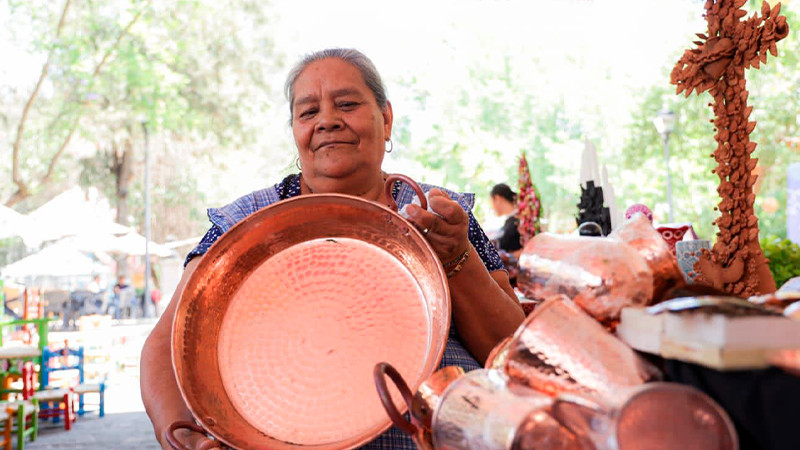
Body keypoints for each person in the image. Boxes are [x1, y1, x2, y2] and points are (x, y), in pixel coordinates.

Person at [140, 48, 525, 449]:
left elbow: (511, 357)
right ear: (295, 129)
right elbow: (166, 348)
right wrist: (181, 434)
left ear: (386, 118)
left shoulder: (440, 214)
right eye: (308, 112)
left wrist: (454, 259)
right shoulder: (244, 224)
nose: (327, 121)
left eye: (347, 104)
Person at [489, 183, 523, 257]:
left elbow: (526, 249)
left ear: (497, 198)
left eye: (491, 202)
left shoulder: (519, 221)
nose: (492, 207)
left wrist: (509, 257)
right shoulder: (511, 221)